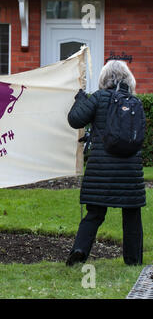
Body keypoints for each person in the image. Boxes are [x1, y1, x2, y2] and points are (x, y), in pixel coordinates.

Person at [66, 60, 146, 266]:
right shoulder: (135, 102)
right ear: (128, 78)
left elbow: (75, 120)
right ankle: (133, 261)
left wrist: (80, 99)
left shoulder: (100, 98)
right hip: (130, 171)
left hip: (102, 170)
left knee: (94, 213)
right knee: (132, 215)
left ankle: (80, 251)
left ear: (104, 78)